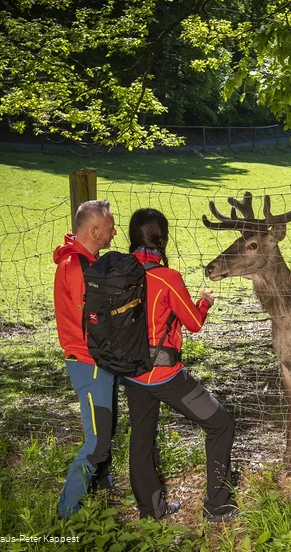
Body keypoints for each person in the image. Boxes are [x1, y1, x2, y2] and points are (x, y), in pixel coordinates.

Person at [123, 207, 237, 522]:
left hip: (131, 373)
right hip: (165, 376)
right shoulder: (166, 278)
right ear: (163, 239)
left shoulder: (119, 272)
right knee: (221, 424)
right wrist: (204, 301)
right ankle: (218, 506)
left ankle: (151, 510)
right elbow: (193, 322)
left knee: (141, 438)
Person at [52, 199, 120, 519]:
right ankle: (67, 514)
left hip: (96, 361)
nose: (114, 233)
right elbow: (94, 317)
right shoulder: (78, 266)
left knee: (104, 428)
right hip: (90, 364)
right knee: (96, 442)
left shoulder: (83, 260)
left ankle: (101, 489)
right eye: (109, 229)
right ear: (94, 230)